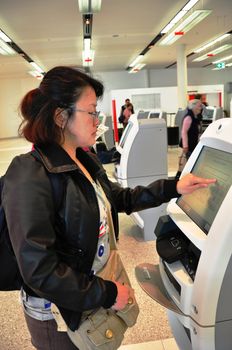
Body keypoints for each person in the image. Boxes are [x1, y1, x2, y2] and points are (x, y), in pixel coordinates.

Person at [2, 66, 216, 350]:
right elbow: (39, 269)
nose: (97, 120)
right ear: (61, 116)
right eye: (91, 112)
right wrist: (107, 293)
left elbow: (118, 198)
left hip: (88, 295)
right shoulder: (29, 174)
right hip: (59, 317)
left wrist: (173, 187)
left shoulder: (83, 159)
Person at [175, 99, 203, 179]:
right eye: (199, 106)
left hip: (193, 144)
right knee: (189, 163)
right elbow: (184, 132)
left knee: (191, 162)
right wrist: (185, 146)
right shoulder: (189, 117)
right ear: (194, 106)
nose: (201, 108)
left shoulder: (195, 117)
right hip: (189, 146)